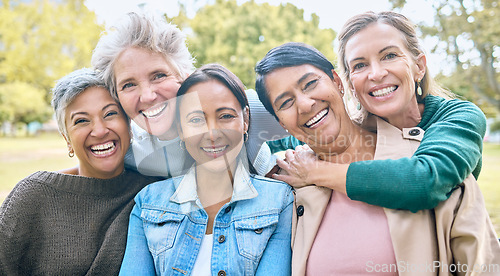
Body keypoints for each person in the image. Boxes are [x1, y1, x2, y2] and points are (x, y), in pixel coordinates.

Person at [255, 42, 499, 275]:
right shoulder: (285, 188)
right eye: (286, 102)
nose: (305, 104)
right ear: (280, 122)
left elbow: (481, 265)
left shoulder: (429, 157)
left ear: (338, 82)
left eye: (310, 84)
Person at [264, 11, 487, 213]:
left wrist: (314, 172)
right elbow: (273, 143)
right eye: (360, 65)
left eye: (389, 56)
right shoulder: (347, 131)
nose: (377, 74)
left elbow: (424, 182)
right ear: (349, 84)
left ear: (419, 66)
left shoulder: (458, 117)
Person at [119, 64, 293, 275]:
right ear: (181, 129)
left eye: (226, 116)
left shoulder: (279, 200)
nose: (212, 134)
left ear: (245, 120)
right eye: (196, 120)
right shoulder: (148, 204)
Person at [0, 68, 159, 275]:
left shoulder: (152, 192)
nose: (100, 131)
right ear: (67, 139)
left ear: (129, 124)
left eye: (110, 114)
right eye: (81, 120)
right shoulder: (33, 196)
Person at [91, 11, 287, 178]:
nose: (148, 96)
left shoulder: (238, 106)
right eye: (129, 85)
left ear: (185, 75)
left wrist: (309, 165)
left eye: (159, 76)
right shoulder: (133, 153)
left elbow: (311, 122)